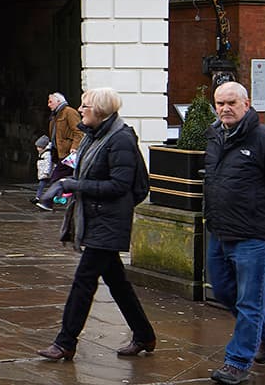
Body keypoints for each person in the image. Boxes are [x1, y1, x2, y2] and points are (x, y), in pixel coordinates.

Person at [36, 86, 157, 364]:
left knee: (84, 281)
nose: (80, 110)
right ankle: (144, 334)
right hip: (95, 217)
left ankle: (65, 342)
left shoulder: (120, 140)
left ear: (101, 112)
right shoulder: (94, 135)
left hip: (110, 220)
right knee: (117, 283)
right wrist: (61, 180)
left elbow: (120, 185)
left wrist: (72, 185)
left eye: (85, 106)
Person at [202, 79, 265, 383]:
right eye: (220, 103)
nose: (225, 108)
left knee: (249, 302)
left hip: (254, 236)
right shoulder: (215, 136)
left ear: (246, 104)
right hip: (219, 232)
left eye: (232, 103)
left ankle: (238, 362)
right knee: (223, 291)